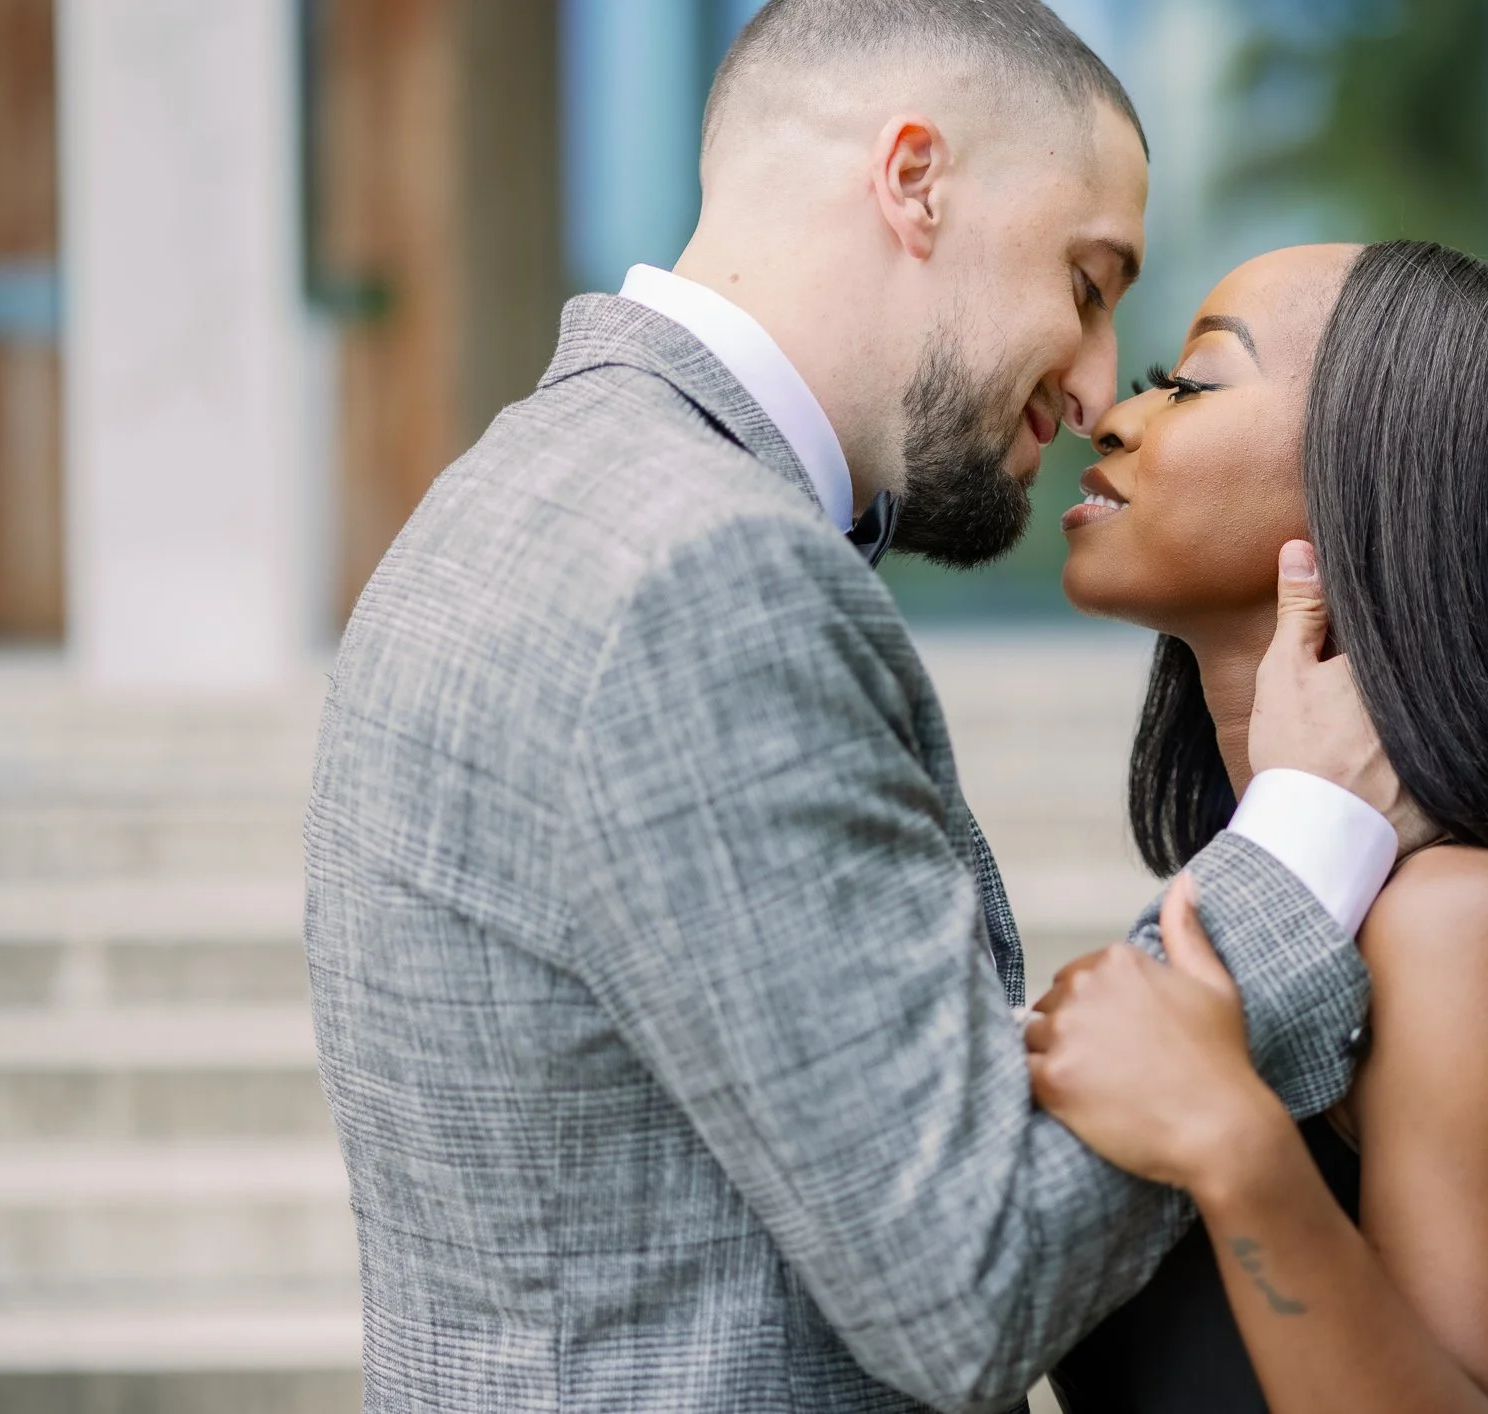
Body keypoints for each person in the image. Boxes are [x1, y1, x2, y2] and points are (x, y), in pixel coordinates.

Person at [303, 5, 1427, 1412]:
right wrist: (1302, 845)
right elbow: (967, 1279)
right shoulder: (706, 576)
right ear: (916, 181)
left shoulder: (506, 495)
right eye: (1087, 283)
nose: (1095, 384)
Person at [1032, 241, 1488, 1414]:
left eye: (1192, 383)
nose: (1113, 417)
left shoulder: (1461, 919)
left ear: (1388, 482)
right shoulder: (1270, 897)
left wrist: (1228, 1141)